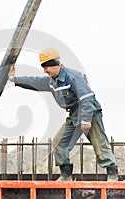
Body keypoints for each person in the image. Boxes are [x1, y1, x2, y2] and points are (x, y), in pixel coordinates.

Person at [8, 48, 118, 181]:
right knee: (59, 143)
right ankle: (66, 175)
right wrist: (14, 79)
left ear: (54, 64)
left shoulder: (73, 76)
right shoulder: (51, 81)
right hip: (73, 114)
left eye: (46, 67)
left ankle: (112, 174)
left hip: (89, 112)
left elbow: (87, 98)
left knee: (99, 142)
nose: (44, 71)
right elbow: (34, 81)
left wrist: (86, 119)